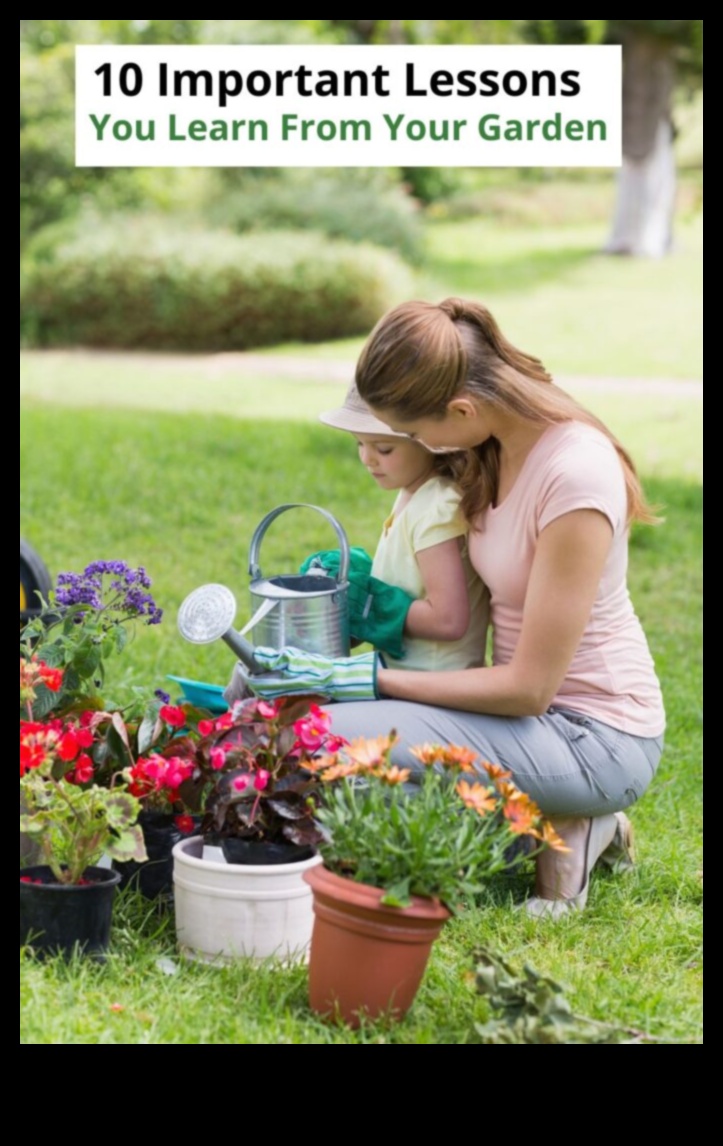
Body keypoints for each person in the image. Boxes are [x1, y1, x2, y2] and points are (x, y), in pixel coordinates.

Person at [242, 297, 665, 918]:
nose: (415, 447)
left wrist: (364, 682)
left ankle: (573, 817)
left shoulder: (575, 477)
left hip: (593, 734)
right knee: (287, 715)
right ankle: (557, 824)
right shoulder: (491, 444)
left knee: (313, 740)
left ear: (460, 409)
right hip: (521, 724)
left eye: (414, 434)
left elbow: (529, 689)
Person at [308, 382, 489, 671]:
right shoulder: (412, 492)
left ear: (427, 440)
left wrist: (369, 605)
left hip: (438, 688)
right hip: (404, 677)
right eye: (359, 443)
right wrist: (354, 581)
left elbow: (449, 620)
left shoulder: (437, 506)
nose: (367, 459)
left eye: (384, 448)